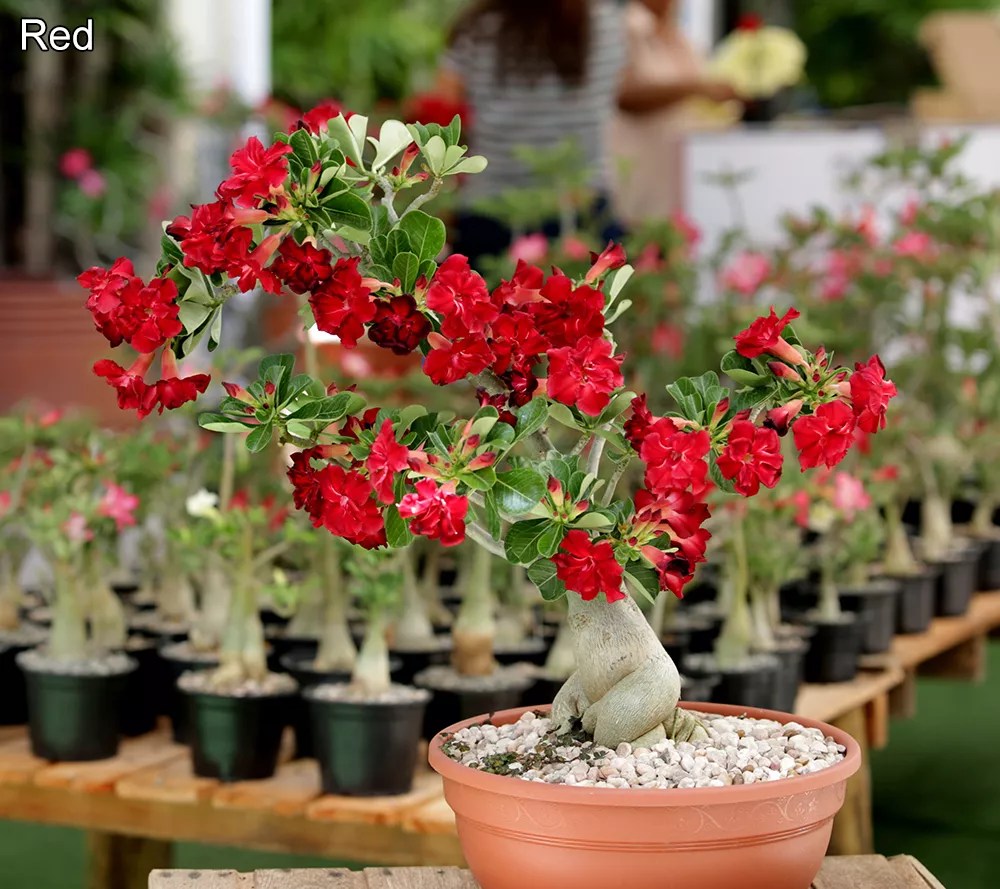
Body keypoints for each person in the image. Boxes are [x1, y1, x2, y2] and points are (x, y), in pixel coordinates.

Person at [435, 0, 626, 262]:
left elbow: (442, 117)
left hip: (491, 211)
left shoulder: (478, 27)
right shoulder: (605, 22)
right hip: (581, 207)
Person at [613, 0, 742, 224]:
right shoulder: (626, 28)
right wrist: (696, 88)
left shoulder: (680, 36)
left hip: (678, 183)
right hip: (638, 176)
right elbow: (623, 95)